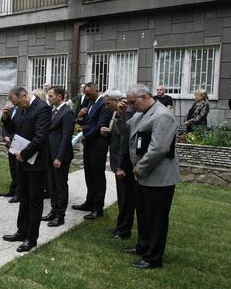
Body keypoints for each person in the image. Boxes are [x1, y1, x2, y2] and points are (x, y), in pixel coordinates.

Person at [116, 84, 179, 269]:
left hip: (158, 177)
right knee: (143, 215)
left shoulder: (163, 115)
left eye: (132, 102)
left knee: (156, 219)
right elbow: (124, 132)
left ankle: (153, 258)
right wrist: (120, 115)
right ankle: (142, 247)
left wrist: (139, 168)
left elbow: (159, 148)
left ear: (144, 97)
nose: (131, 105)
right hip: (143, 176)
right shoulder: (138, 115)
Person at [1, 87, 51, 253]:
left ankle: (31, 238)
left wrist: (24, 153)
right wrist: (6, 118)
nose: (17, 107)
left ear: (24, 95)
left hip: (36, 162)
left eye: (17, 103)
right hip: (22, 161)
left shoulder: (42, 108)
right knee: (24, 197)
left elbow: (40, 137)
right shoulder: (22, 108)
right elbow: (15, 129)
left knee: (35, 200)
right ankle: (21, 231)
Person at [73, 82, 112, 220]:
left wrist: (85, 137)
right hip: (89, 144)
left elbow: (101, 125)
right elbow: (83, 122)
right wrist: (80, 115)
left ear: (97, 90)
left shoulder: (104, 104)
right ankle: (89, 202)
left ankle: (98, 207)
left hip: (98, 145)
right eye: (85, 94)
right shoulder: (90, 102)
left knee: (97, 177)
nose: (87, 96)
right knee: (89, 175)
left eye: (88, 94)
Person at [101, 89, 135, 240]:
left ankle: (124, 230)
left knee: (126, 199)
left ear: (117, 100)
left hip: (124, 164)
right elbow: (117, 134)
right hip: (117, 162)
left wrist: (121, 166)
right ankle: (120, 226)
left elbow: (125, 142)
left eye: (108, 103)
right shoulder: (117, 113)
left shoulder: (127, 113)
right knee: (122, 197)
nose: (106, 107)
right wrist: (109, 132)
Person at [41, 87, 75, 227]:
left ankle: (60, 216)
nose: (48, 98)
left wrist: (59, 158)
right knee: (52, 185)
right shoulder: (52, 110)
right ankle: (53, 210)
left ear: (60, 97)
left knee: (60, 186)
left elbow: (66, 137)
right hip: (50, 154)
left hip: (60, 156)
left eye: (51, 96)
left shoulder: (67, 113)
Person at [0, 88, 24, 203]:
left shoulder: (22, 110)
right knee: (13, 168)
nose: (11, 102)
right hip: (10, 144)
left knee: (19, 169)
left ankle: (19, 193)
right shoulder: (11, 110)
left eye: (12, 99)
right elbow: (5, 126)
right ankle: (12, 190)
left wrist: (12, 137)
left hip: (18, 143)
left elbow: (18, 127)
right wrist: (5, 136)